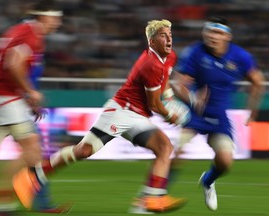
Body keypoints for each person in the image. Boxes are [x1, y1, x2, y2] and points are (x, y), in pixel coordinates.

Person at [13, 19, 191, 214]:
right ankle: (33, 176)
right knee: (84, 151)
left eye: (170, 35)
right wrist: (170, 115)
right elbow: (154, 104)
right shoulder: (150, 64)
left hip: (137, 115)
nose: (169, 39)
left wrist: (170, 98)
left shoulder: (170, 57)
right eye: (163, 36)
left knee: (164, 147)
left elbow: (164, 84)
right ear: (152, 41)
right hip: (121, 112)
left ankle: (150, 198)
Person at [170, 16, 265, 211]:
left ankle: (208, 180)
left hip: (219, 117)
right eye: (210, 31)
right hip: (194, 114)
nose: (213, 36)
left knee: (225, 162)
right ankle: (158, 195)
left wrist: (252, 110)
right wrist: (192, 98)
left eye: (219, 33)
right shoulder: (195, 52)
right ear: (204, 33)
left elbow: (257, 81)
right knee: (176, 153)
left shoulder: (240, 56)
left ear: (228, 37)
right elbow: (178, 83)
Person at [0, 0, 64, 215]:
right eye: (55, 17)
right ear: (43, 17)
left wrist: (26, 98)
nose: (58, 22)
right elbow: (13, 64)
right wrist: (30, 92)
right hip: (3, 96)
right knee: (32, 151)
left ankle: (32, 203)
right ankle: (1, 204)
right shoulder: (31, 34)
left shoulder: (24, 31)